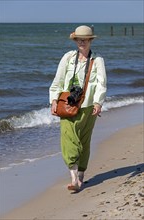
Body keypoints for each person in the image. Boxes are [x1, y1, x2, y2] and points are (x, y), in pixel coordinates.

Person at [49, 25, 107, 191]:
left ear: (90, 40)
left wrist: (98, 102)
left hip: (88, 105)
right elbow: (58, 80)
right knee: (68, 137)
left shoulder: (97, 60)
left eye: (85, 39)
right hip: (67, 105)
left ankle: (81, 175)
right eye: (79, 39)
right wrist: (54, 100)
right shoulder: (68, 57)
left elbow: (101, 83)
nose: (82, 42)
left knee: (84, 140)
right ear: (75, 41)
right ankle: (74, 178)